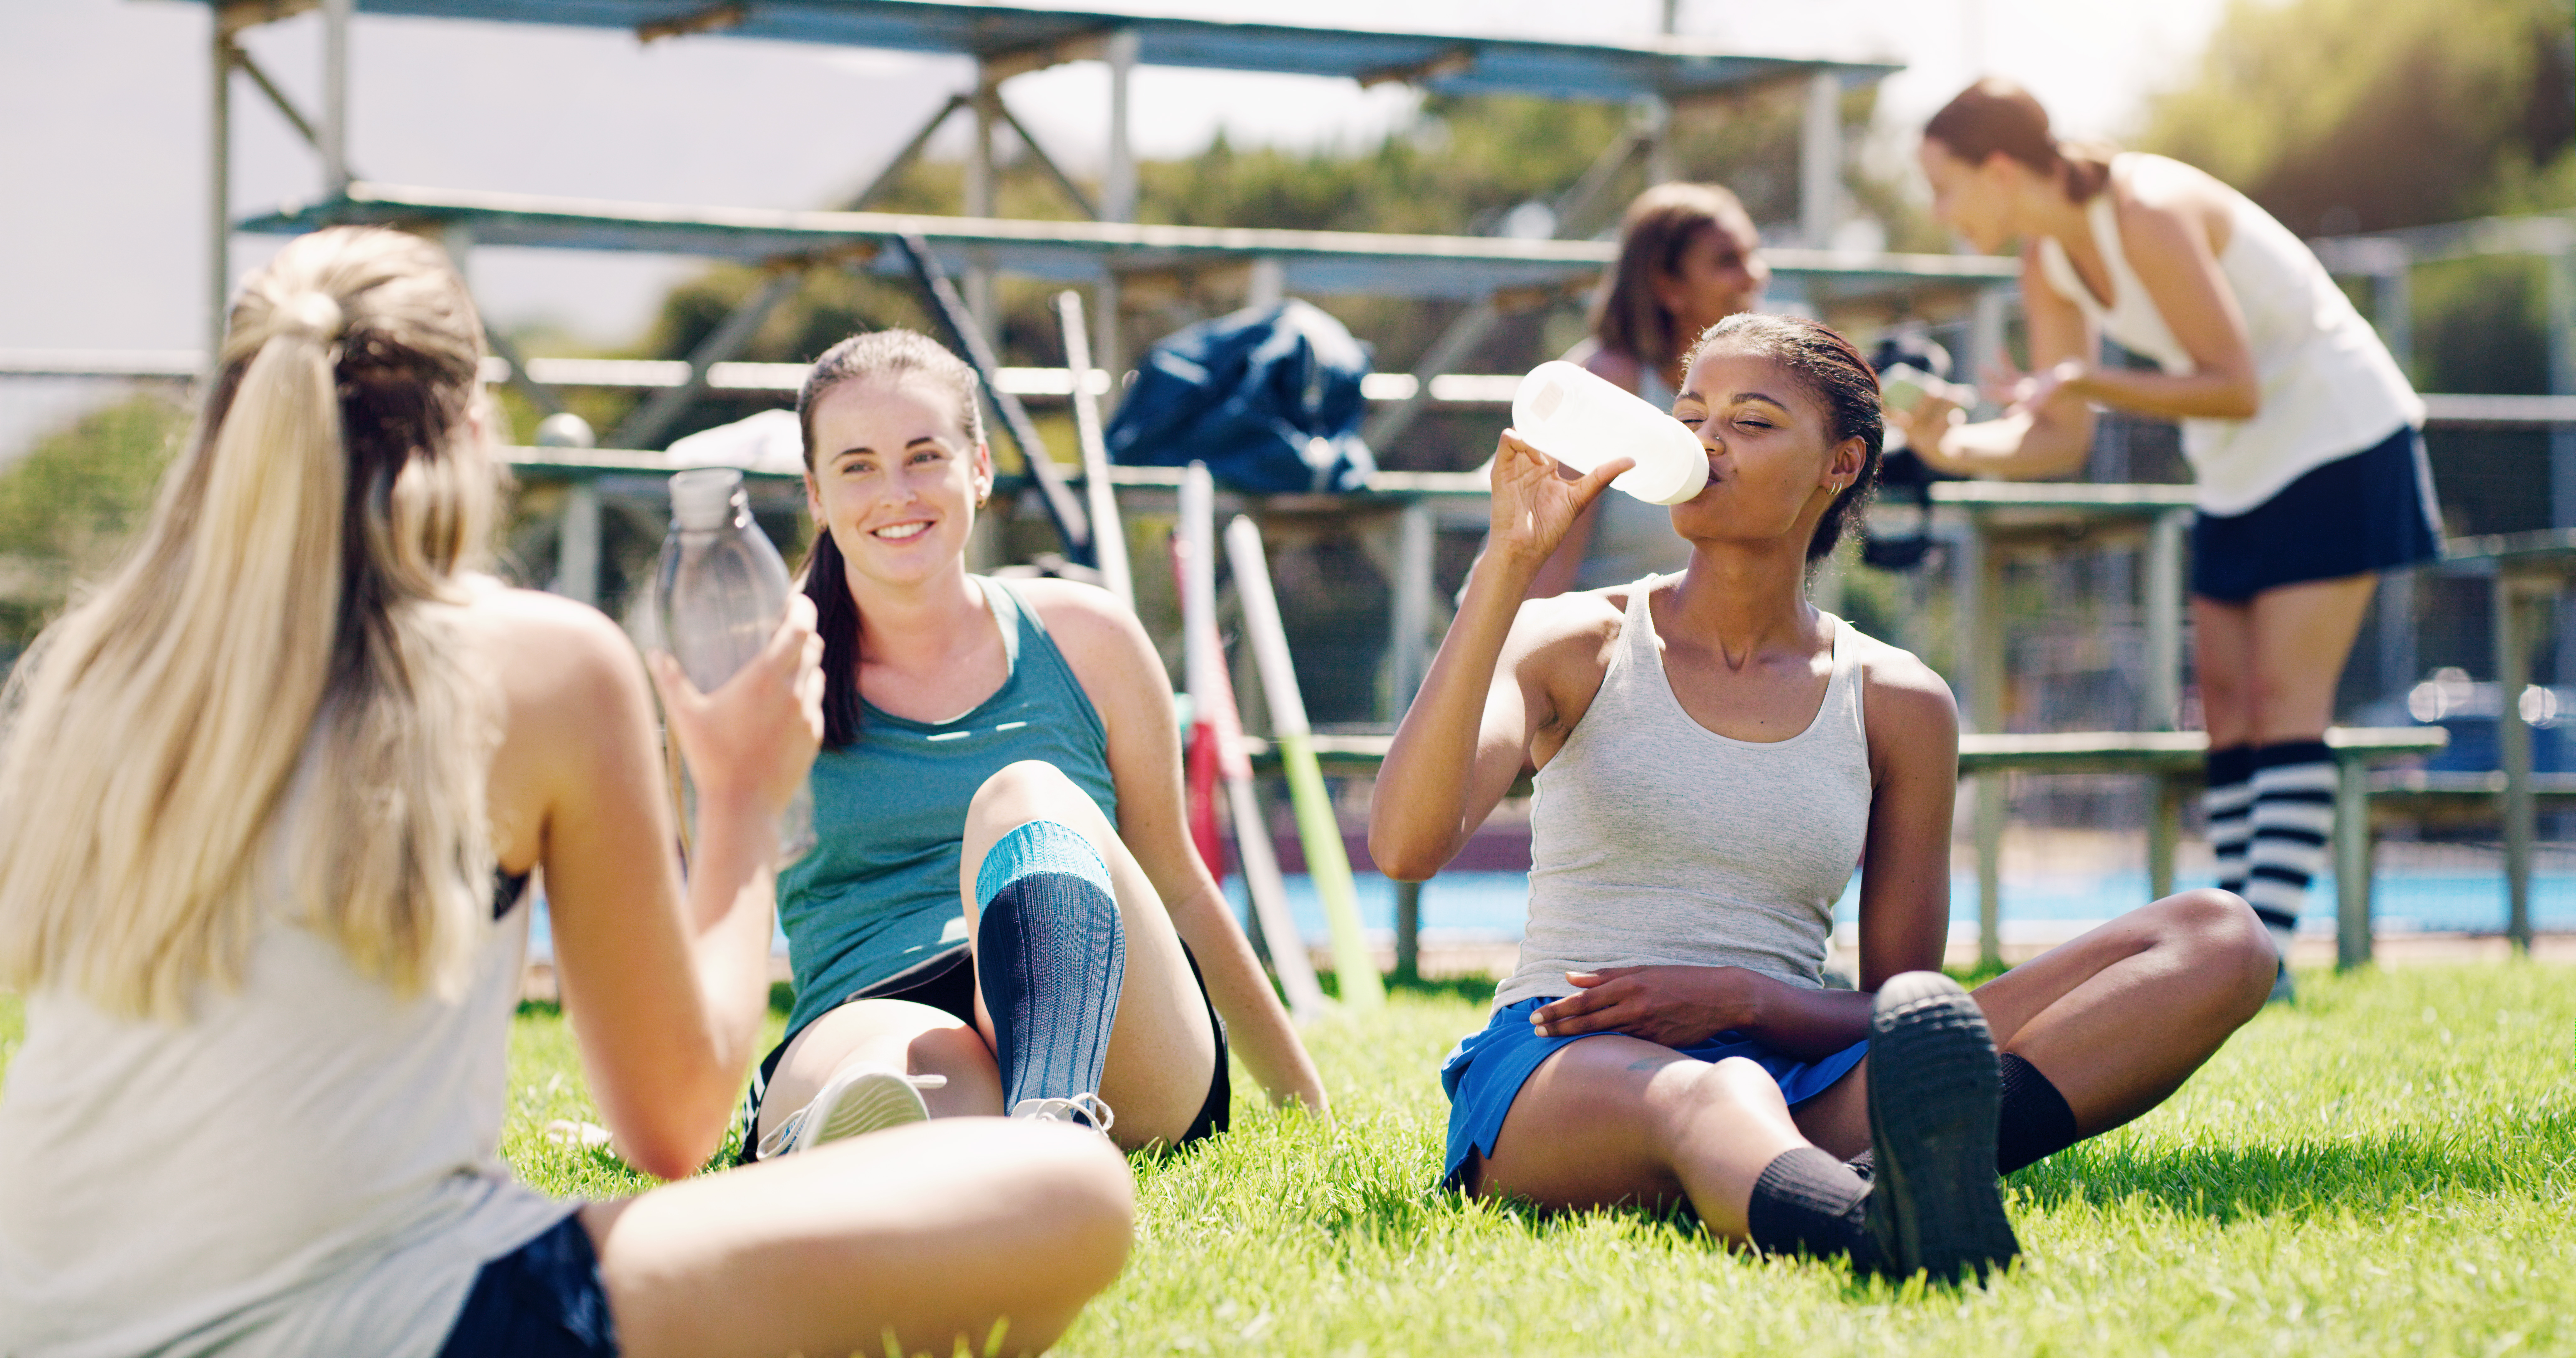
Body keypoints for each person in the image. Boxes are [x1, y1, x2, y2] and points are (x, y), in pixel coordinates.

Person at [0, 228, 1132, 1358]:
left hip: (39, 1318)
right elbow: (676, 1124)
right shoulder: (535, 665)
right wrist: (738, 803)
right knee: (1066, 1194)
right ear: (477, 429)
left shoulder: (97, 667)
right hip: (395, 1314)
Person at [1371, 312, 2277, 1281]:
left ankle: (1868, 1173)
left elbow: (1901, 1004)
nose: (1705, 441)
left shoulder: (1899, 701)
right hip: (1568, 1065)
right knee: (1718, 1095)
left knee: (2221, 937)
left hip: (1797, 1071)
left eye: (1752, 422)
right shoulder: (1568, 639)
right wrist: (1507, 566)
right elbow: (1406, 846)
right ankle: (1875, 1221)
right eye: (1691, 413)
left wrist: (1746, 1001)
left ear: (1839, 465)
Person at [1893, 79, 2441, 1000]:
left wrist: (2084, 377)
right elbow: (2059, 437)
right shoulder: (2046, 262)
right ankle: (2229, 956)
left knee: (2282, 698)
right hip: (2238, 464)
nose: (1940, 212)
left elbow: (2234, 382)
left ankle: (2261, 958)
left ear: (1998, 168)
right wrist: (1954, 450)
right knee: (2225, 703)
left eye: (1946, 189)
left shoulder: (2144, 208)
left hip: (2340, 437)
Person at [741, 329, 1325, 1163]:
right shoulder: (766, 671)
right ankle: (865, 1141)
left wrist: (1305, 1101)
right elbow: (714, 919)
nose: (896, 492)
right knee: (924, 1071)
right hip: (880, 1010)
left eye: (924, 456)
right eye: (858, 466)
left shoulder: (1090, 638)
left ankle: (1051, 1129)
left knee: (1027, 793)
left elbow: (1178, 885)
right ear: (815, 494)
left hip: (1117, 1023)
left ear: (979, 469)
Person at [1524, 181, 1771, 598]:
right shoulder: (1602, 384)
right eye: (1728, 261)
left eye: (1753, 254)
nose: (1754, 276)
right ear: (1667, 286)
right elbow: (1539, 577)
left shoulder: (1758, 391)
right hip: (1579, 655)